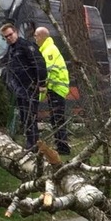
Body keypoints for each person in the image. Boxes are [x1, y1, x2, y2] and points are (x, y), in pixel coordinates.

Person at [0, 21, 47, 150]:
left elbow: (39, 64)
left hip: (30, 87)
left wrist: (41, 83)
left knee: (30, 118)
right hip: (19, 89)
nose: (9, 38)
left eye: (10, 35)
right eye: (6, 37)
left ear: (16, 32)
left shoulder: (26, 46)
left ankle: (34, 146)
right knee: (25, 118)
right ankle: (30, 144)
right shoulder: (11, 49)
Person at [33, 26, 71, 155]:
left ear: (42, 36)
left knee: (57, 119)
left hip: (56, 90)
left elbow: (46, 73)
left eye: (36, 36)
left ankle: (63, 148)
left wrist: (40, 94)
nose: (35, 38)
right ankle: (61, 147)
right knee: (56, 119)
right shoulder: (47, 49)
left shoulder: (49, 51)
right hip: (55, 89)